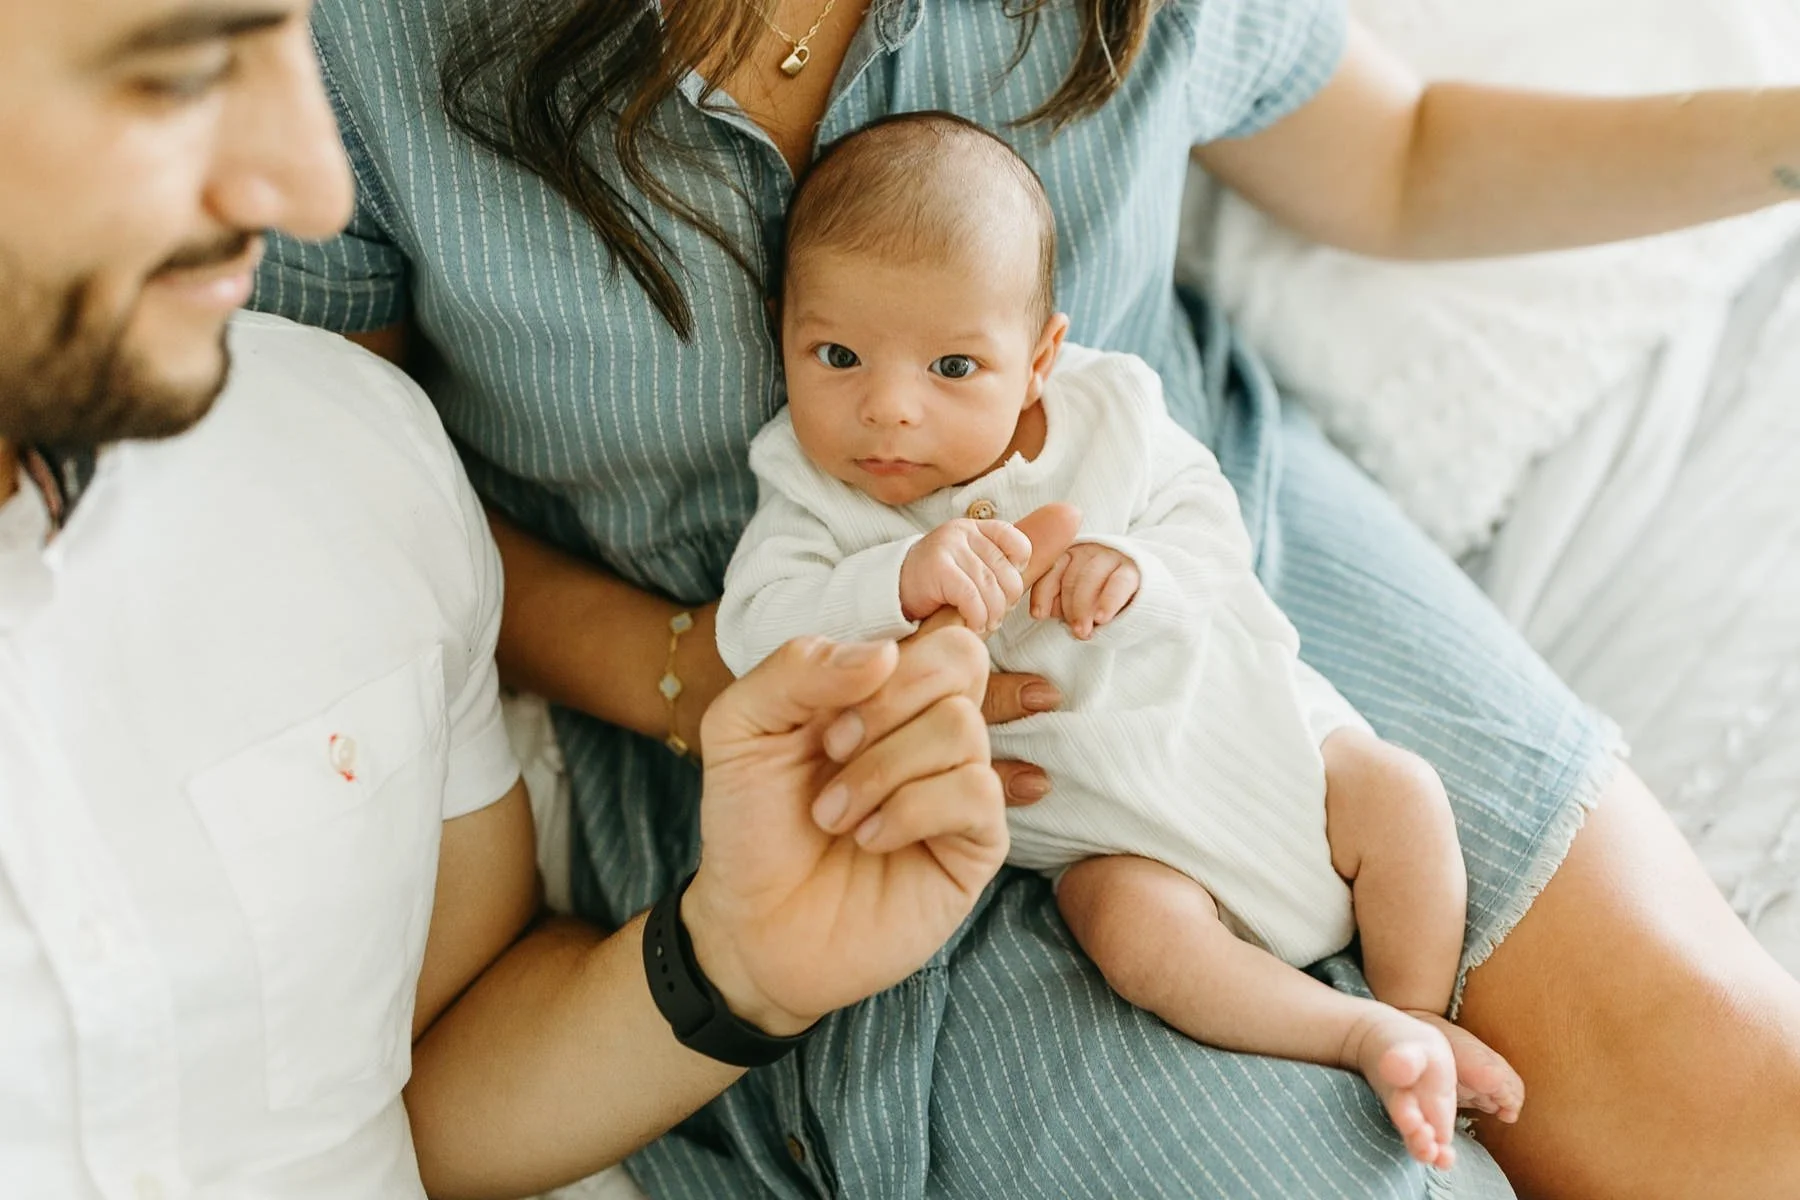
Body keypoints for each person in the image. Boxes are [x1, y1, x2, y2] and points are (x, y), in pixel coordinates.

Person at [254, 0, 1800, 1194]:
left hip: (1210, 574)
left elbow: (1398, 158)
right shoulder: (361, 49)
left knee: (1735, 1108)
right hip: (844, 766)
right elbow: (354, 498)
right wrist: (711, 677)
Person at [0, 1, 1046, 1195]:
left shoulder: (349, 447)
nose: (317, 191)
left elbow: (425, 1098)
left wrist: (739, 963)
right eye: (175, 75)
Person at [717, 111, 1526, 1171]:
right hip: (1116, 840)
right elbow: (754, 630)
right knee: (1128, 931)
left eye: (953, 366)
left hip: (1263, 745)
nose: (889, 410)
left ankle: (1417, 1008)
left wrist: (1134, 569)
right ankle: (1356, 1033)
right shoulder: (811, 489)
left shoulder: (1113, 412)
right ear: (782, 331)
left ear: (1041, 358)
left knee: (1401, 793)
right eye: (837, 356)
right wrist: (894, 581)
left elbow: (1210, 530)